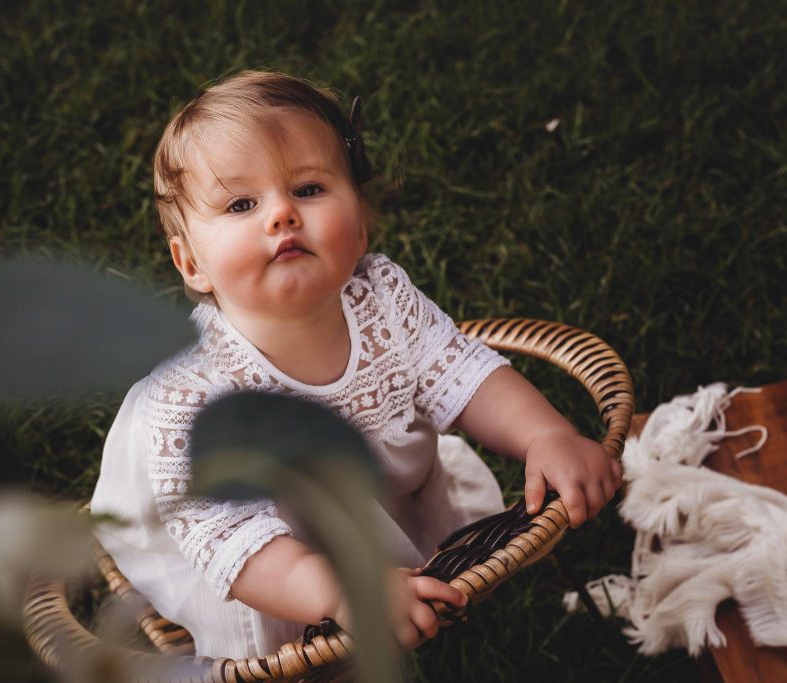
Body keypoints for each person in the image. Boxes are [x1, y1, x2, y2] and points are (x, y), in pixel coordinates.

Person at [90, 69, 622, 659]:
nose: (281, 215)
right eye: (242, 203)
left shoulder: (381, 301)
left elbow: (465, 375)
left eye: (309, 189)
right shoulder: (193, 397)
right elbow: (235, 546)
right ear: (191, 264)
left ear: (362, 225)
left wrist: (545, 434)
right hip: (258, 555)